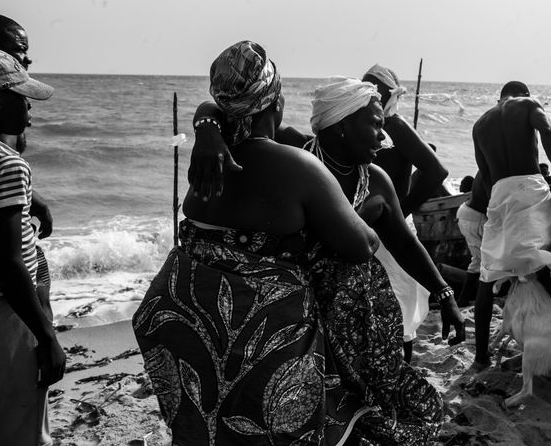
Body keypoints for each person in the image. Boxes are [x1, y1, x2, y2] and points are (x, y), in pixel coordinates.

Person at [189, 74, 465, 444]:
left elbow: (402, 241)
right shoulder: (295, 152)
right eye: (375, 125)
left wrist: (443, 292)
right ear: (342, 125)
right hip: (294, 319)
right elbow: (233, 110)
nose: (383, 138)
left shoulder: (378, 181)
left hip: (350, 322)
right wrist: (206, 128)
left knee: (372, 403)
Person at [133, 41, 380, 445]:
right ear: (276, 103)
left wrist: (207, 126)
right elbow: (361, 246)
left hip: (182, 320)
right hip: (257, 336)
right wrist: (357, 205)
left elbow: (209, 111)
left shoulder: (211, 156)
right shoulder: (298, 165)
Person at [0, 46, 65, 445]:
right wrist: (45, 334)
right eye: (22, 96)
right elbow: (8, 263)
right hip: (2, 315)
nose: (30, 107)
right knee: (22, 434)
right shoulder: (5, 163)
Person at [471, 80, 551, 369]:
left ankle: (480, 355)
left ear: (498, 98)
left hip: (500, 192)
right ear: (524, 93)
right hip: (530, 188)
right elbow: (548, 131)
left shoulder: (480, 124)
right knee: (549, 259)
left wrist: (497, 206)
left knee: (487, 274)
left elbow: (485, 173)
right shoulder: (527, 104)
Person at [0, 13, 55, 322]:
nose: (26, 63)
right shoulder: (0, 106)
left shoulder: (2, 117)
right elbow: (6, 262)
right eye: (18, 55)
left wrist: (35, 201)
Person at [362, 64, 449, 217]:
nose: (367, 94)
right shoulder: (366, 125)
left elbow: (437, 172)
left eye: (374, 90)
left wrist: (400, 214)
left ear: (391, 95)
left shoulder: (394, 125)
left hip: (390, 222)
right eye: (364, 87)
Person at [455, 170, 489, 306]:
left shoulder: (488, 163)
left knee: (479, 260)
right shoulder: (502, 166)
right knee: (489, 262)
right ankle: (482, 302)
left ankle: (463, 300)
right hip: (476, 217)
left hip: (467, 213)